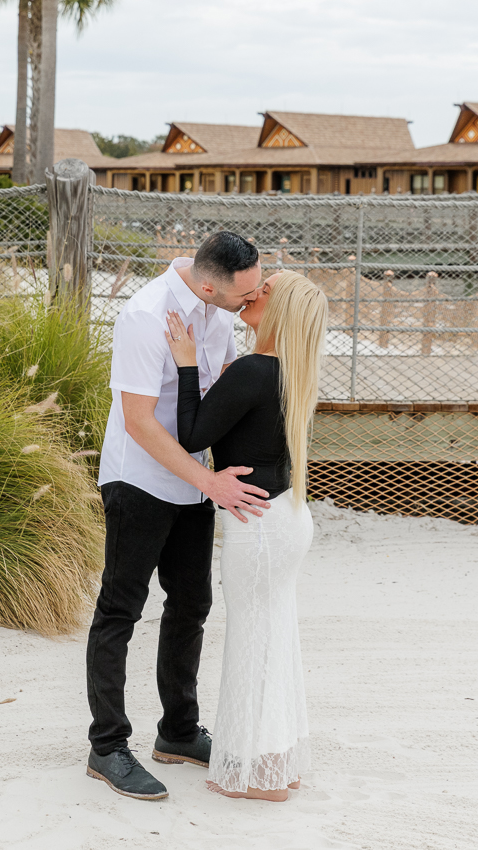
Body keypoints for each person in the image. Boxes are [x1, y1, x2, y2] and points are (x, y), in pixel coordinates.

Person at [86, 232, 271, 801]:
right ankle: (108, 747)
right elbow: (139, 421)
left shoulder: (218, 313)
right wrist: (208, 481)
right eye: (246, 294)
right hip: (139, 479)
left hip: (194, 482)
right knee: (121, 607)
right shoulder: (145, 315)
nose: (252, 299)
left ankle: (179, 732)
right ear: (211, 284)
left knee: (192, 603)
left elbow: (213, 399)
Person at [165, 270, 328, 802]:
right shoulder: (289, 372)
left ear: (279, 311)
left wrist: (187, 364)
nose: (255, 292)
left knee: (253, 642)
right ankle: (277, 762)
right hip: (284, 518)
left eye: (267, 289)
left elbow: (191, 434)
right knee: (274, 638)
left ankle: (259, 777)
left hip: (258, 528)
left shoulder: (256, 369)